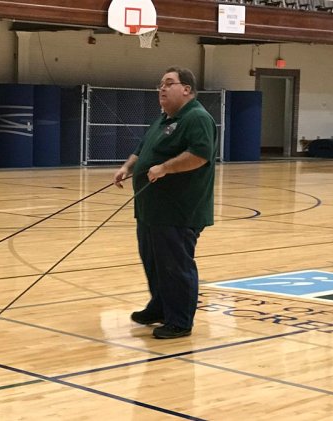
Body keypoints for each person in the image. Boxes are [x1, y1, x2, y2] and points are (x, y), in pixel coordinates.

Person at [113, 66, 217, 339]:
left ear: (187, 89)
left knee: (175, 265)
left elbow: (200, 155)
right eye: (160, 84)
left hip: (179, 210)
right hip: (151, 209)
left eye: (169, 83)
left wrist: (166, 169)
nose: (162, 88)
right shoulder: (163, 119)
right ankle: (160, 307)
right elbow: (143, 149)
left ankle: (180, 321)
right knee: (154, 262)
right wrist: (127, 167)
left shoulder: (196, 118)